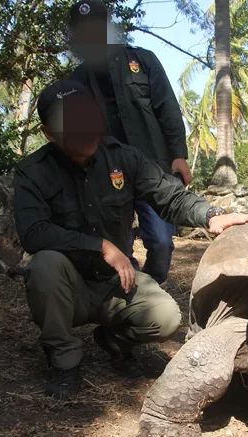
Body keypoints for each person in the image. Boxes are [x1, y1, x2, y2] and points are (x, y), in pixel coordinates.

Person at [13, 80, 248, 400]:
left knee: (166, 318)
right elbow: (33, 232)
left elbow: (169, 196)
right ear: (49, 133)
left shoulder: (123, 157)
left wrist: (211, 215)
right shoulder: (33, 171)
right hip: (67, 286)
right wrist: (99, 246)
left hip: (117, 282)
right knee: (44, 264)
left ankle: (115, 339)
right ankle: (64, 361)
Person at [66, 0, 191, 284]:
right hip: (108, 177)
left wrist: (178, 155)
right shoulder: (77, 80)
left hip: (152, 170)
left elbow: (167, 108)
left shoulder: (143, 61)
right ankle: (133, 299)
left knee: (161, 241)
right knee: (117, 248)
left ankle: (154, 285)